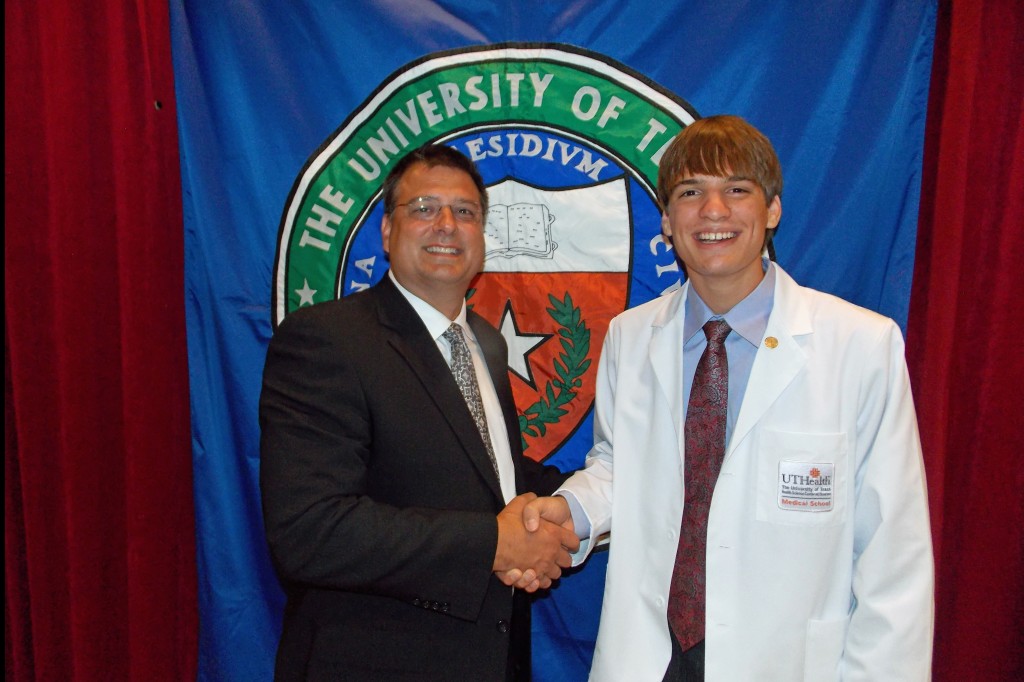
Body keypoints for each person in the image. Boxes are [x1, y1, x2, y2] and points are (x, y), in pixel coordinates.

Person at [517, 115, 934, 680]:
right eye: (691, 193)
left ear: (773, 210)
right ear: (666, 219)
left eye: (737, 190)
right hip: (651, 654)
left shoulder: (862, 344)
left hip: (787, 659)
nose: (713, 212)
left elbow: (894, 549)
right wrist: (571, 510)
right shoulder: (631, 336)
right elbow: (619, 466)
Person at [259, 143, 577, 681]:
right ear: (387, 232)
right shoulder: (326, 339)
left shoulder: (485, 343)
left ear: (482, 237)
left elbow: (495, 481)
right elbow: (309, 531)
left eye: (466, 212)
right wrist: (494, 544)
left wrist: (586, 501)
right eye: (424, 208)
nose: (447, 225)